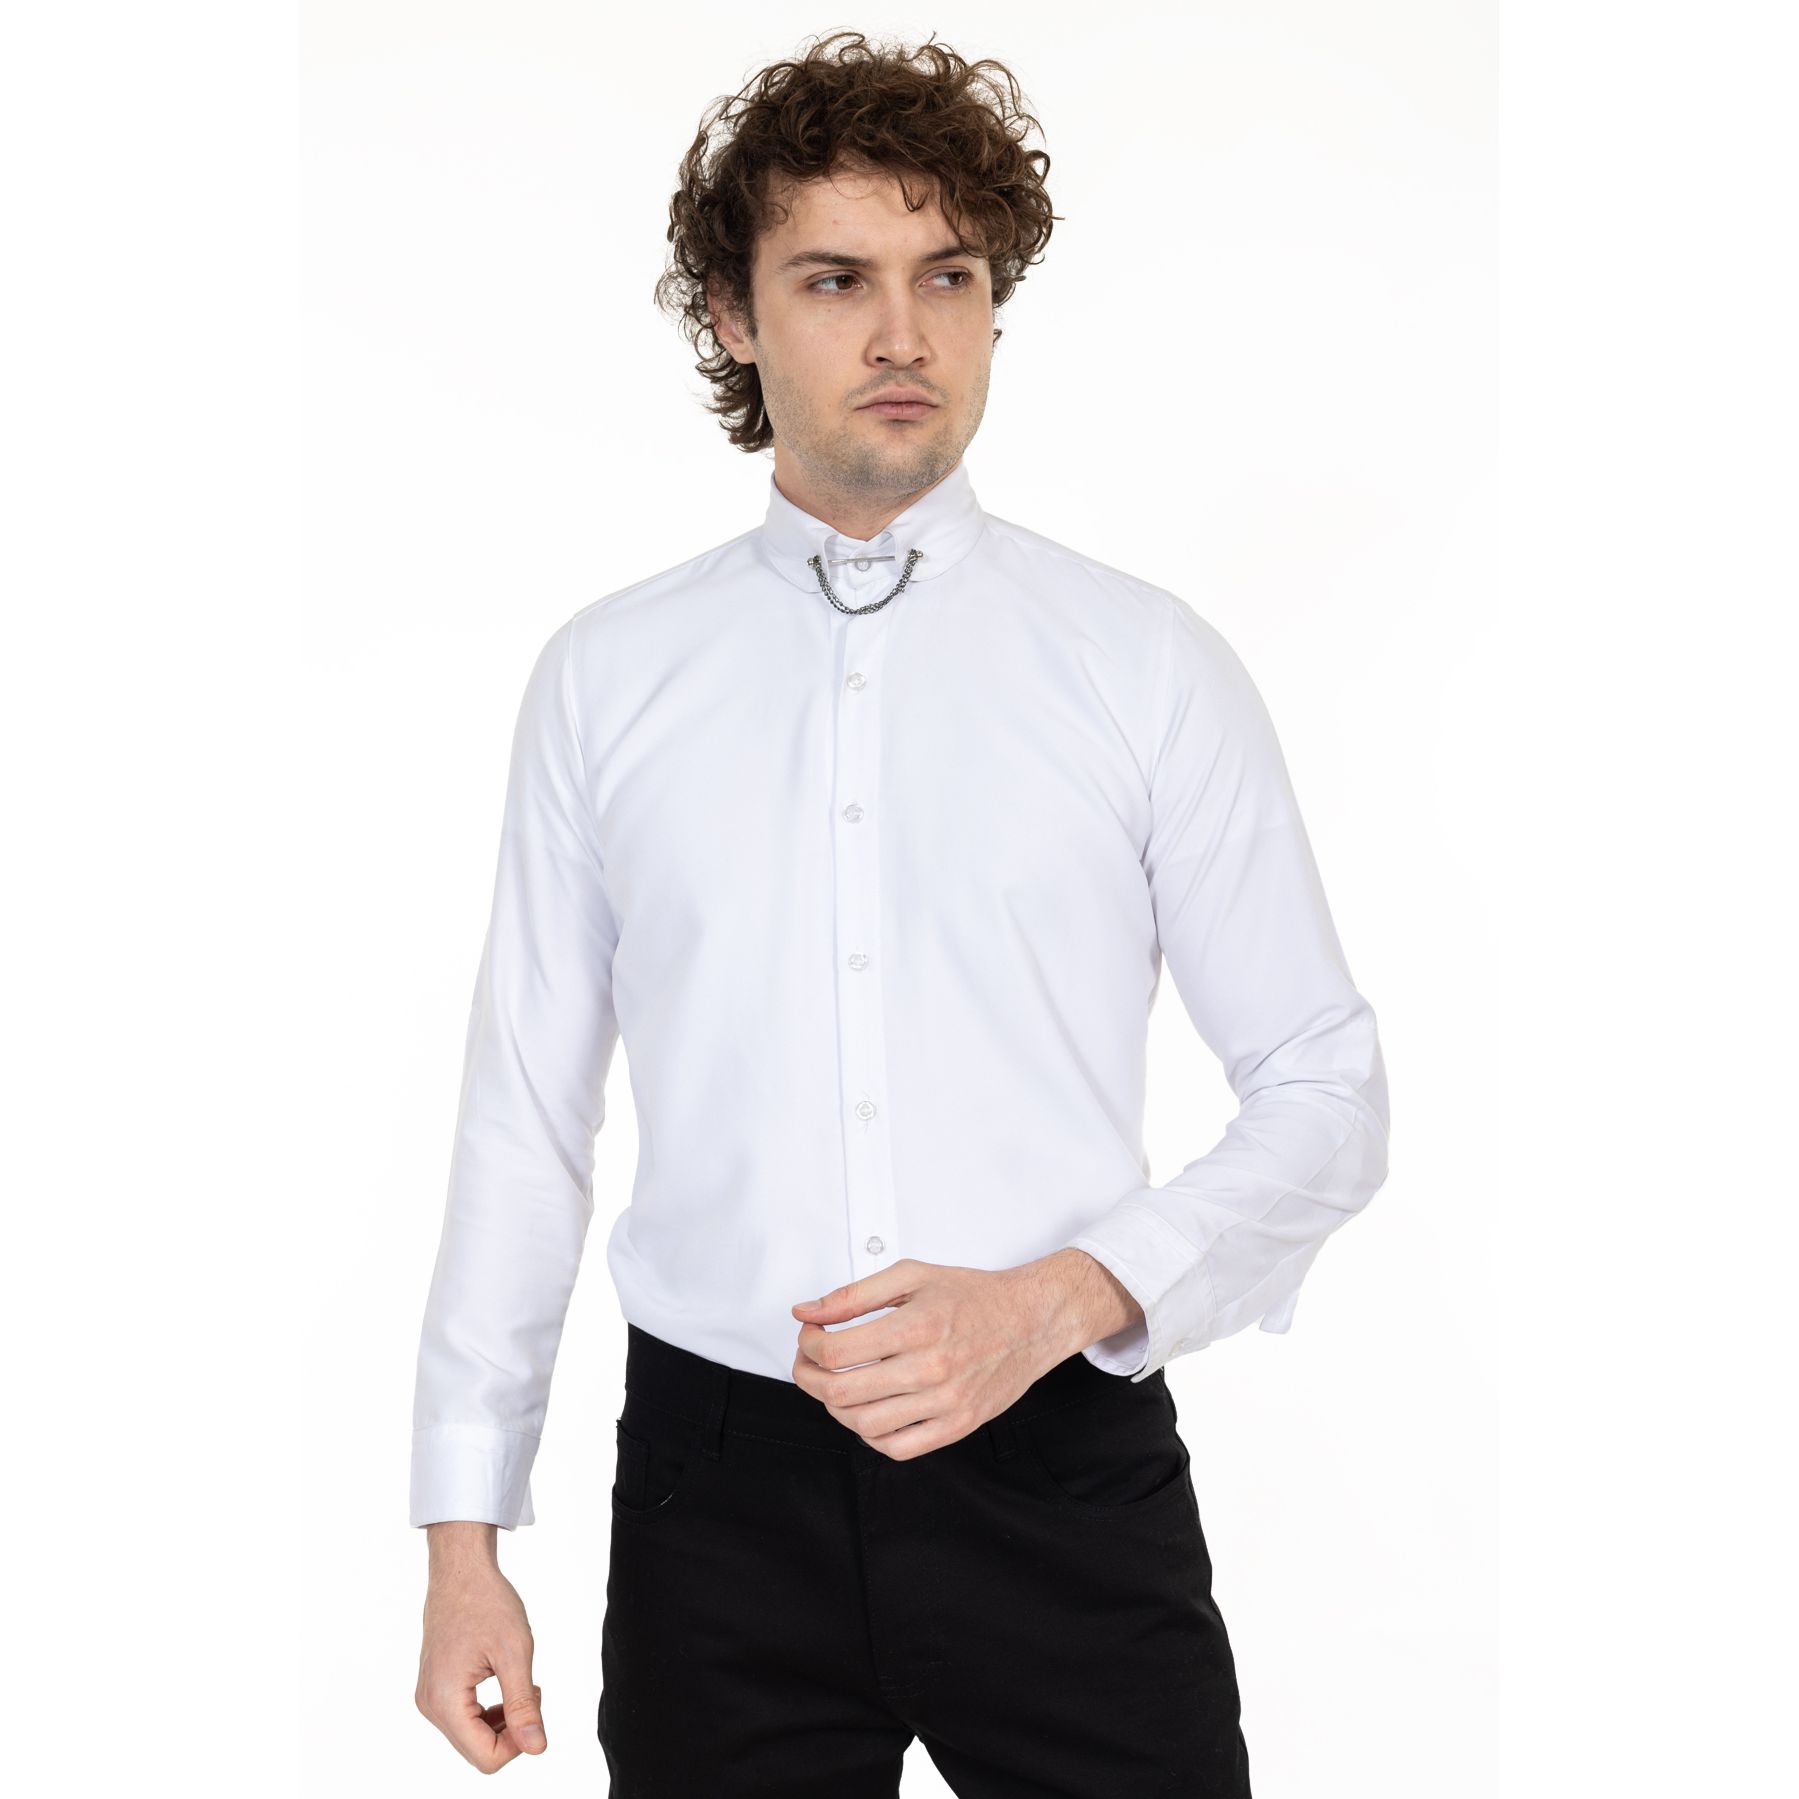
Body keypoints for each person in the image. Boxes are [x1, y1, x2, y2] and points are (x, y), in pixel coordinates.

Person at [411, 30, 1390, 1795]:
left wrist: (1063, 1299)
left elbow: (1327, 1084)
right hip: (718, 1503)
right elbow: (525, 1120)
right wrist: (462, 1536)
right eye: (835, 279)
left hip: (1061, 1468)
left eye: (949, 277)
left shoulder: (1144, 667)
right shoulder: (608, 681)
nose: (903, 336)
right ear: (732, 314)